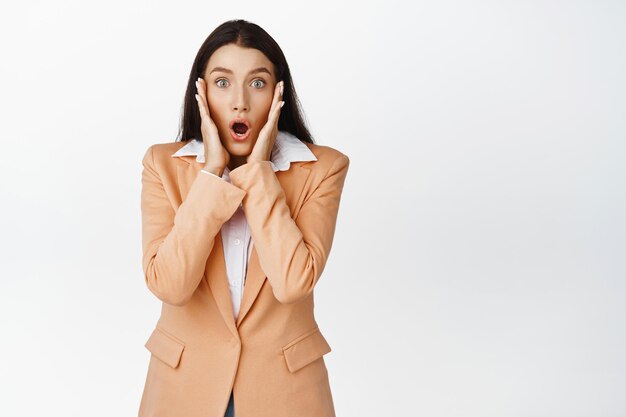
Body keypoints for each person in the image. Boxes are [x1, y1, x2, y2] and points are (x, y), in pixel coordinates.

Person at [138, 19, 350, 417]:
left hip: (285, 395)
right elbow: (170, 284)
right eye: (222, 83)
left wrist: (257, 173)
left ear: (278, 93)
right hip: (183, 391)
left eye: (257, 83)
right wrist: (212, 173)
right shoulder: (162, 165)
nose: (240, 102)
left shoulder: (323, 169)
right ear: (200, 92)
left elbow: (293, 283)